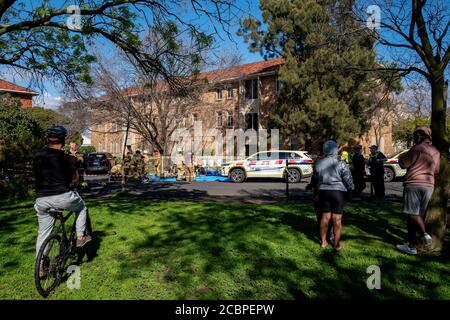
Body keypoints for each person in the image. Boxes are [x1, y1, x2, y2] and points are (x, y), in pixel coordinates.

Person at [33, 125, 92, 260]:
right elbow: (75, 179)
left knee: (43, 233)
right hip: (62, 196)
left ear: (48, 139)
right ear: (63, 140)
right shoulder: (67, 158)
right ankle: (80, 237)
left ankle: (41, 264)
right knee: (82, 208)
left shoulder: (38, 156)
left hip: (41, 199)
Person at [395, 127, 440, 255]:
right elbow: (436, 170)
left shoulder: (417, 148)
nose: (414, 138)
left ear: (420, 135)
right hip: (428, 185)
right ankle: (411, 245)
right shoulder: (435, 151)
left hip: (414, 183)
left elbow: (404, 163)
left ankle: (424, 234)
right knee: (416, 216)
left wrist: (401, 156)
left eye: (415, 135)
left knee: (411, 214)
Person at [315, 140, 354, 251]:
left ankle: (323, 242)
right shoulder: (340, 163)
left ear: (325, 149)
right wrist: (350, 190)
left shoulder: (319, 163)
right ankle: (336, 245)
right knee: (337, 219)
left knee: (325, 217)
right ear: (335, 149)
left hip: (323, 191)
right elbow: (348, 178)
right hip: (338, 192)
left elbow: (317, 178)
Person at [306, 151, 333, 243]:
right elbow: (314, 178)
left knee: (326, 213)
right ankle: (323, 232)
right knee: (320, 212)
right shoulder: (319, 164)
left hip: (326, 192)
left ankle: (329, 235)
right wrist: (311, 186)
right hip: (322, 192)